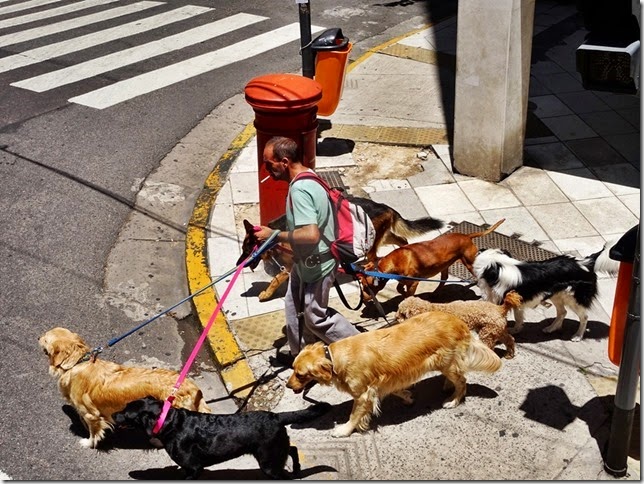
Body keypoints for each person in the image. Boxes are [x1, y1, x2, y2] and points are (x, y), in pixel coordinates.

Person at [254, 136, 360, 363]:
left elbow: (310, 234)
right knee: (293, 305)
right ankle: (299, 357)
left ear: (284, 162)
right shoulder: (309, 175)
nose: (266, 168)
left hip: (318, 265)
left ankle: (361, 348)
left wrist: (274, 235)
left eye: (269, 163)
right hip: (306, 262)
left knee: (315, 317)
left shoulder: (300, 190)